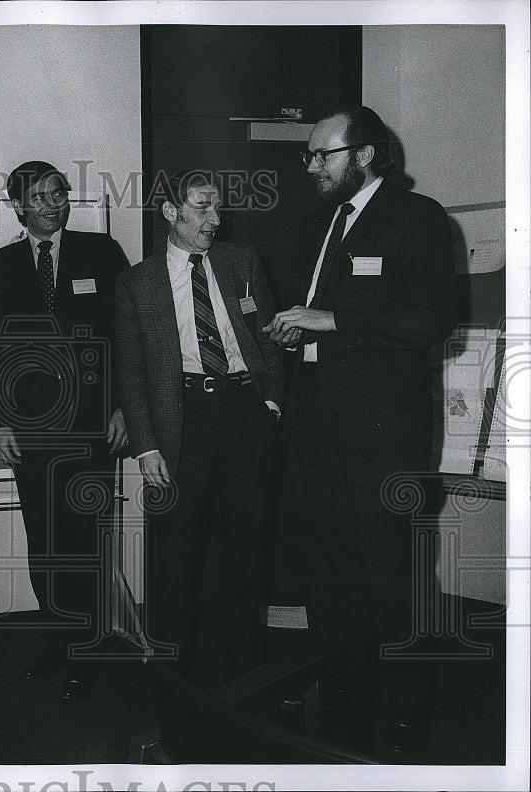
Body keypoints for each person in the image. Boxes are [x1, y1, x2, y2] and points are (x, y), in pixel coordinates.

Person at [263, 105, 455, 757]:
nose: (311, 166)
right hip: (315, 433)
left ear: (365, 155)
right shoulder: (318, 224)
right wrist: (295, 330)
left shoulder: (419, 219)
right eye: (310, 156)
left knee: (393, 580)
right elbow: (313, 314)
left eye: (323, 154)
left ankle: (408, 716)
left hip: (383, 440)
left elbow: (432, 320)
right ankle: (350, 696)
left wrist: (331, 323)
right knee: (332, 578)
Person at [115, 169, 284, 687]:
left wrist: (272, 399)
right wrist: (146, 448)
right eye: (203, 208)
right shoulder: (136, 282)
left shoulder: (241, 261)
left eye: (218, 209)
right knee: (177, 555)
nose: (215, 219)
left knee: (247, 549)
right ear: (171, 213)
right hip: (179, 421)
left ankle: (246, 670)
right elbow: (131, 372)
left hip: (244, 415)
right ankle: (174, 678)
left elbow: (268, 334)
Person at [0, 161, 129, 700]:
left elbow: (123, 337)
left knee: (85, 540)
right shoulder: (0, 265)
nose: (51, 203)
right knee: (45, 543)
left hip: (93, 426)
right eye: (38, 196)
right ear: (18, 206)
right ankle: (56, 646)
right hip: (31, 430)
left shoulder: (102, 254)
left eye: (58, 193)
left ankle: (86, 654)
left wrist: (122, 409)